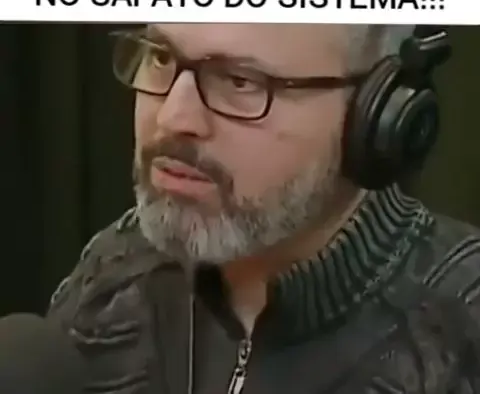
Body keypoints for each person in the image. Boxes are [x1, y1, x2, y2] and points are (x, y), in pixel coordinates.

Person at [47, 23, 480, 394]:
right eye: (160, 58)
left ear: (377, 114)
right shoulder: (113, 281)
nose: (173, 118)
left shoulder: (463, 331)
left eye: (240, 81)